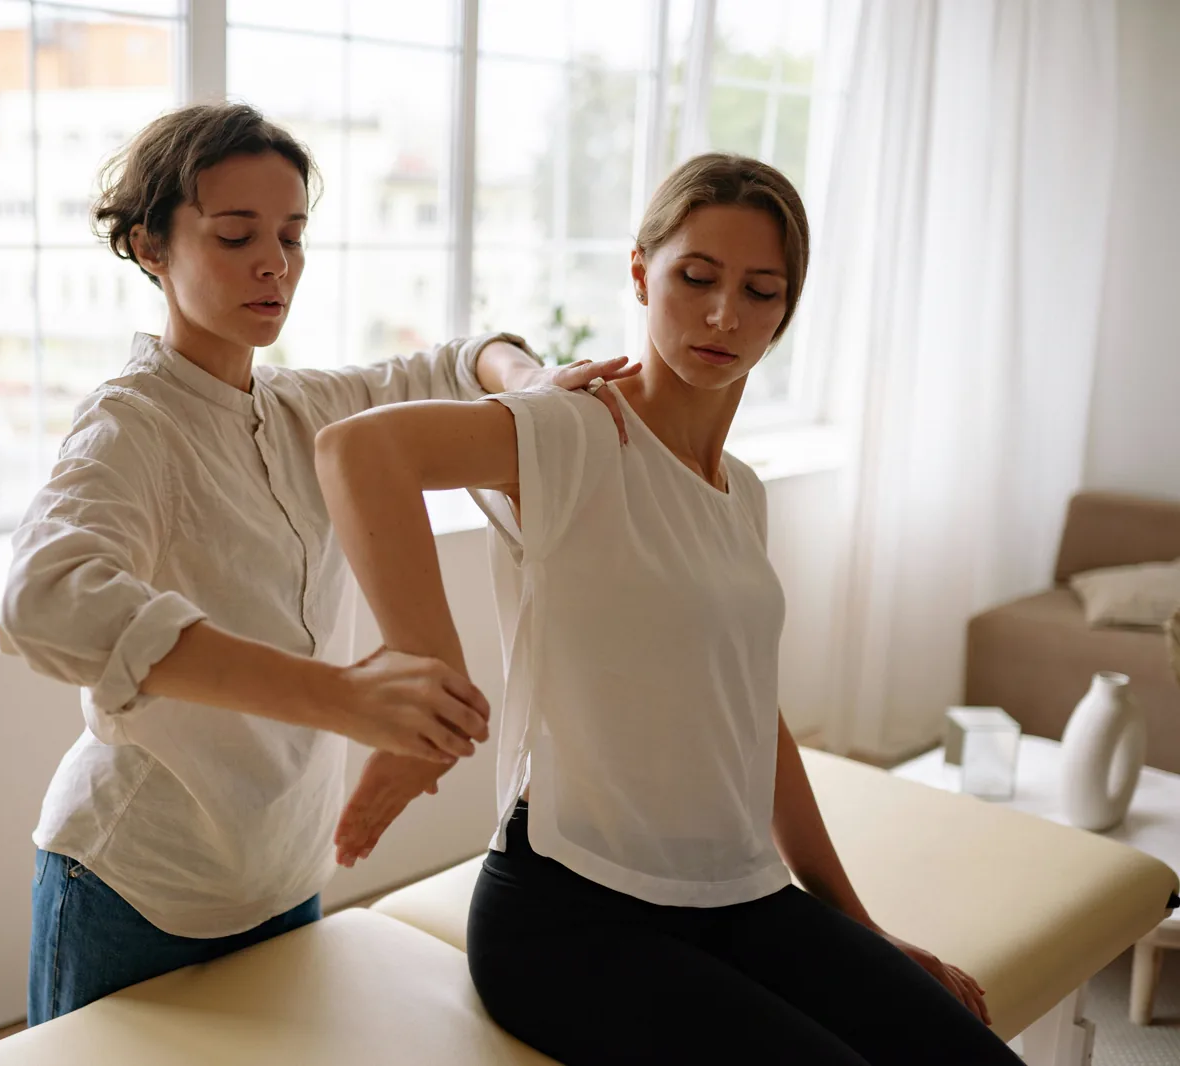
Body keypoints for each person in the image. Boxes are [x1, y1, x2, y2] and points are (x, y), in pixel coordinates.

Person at [312, 153, 1022, 1064]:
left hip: (738, 895)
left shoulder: (742, 494)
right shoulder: (577, 431)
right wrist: (429, 694)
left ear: (784, 312)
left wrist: (862, 930)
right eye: (696, 278)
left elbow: (750, 722)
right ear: (641, 273)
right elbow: (354, 454)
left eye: (761, 292)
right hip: (568, 918)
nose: (726, 314)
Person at [0, 101, 633, 1025]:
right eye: (235, 234)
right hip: (132, 887)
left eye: (292, 235)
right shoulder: (129, 426)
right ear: (151, 247)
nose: (274, 263)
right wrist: (343, 698)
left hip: (284, 874)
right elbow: (43, 601)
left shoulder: (305, 409)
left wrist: (531, 386)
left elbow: (458, 361)